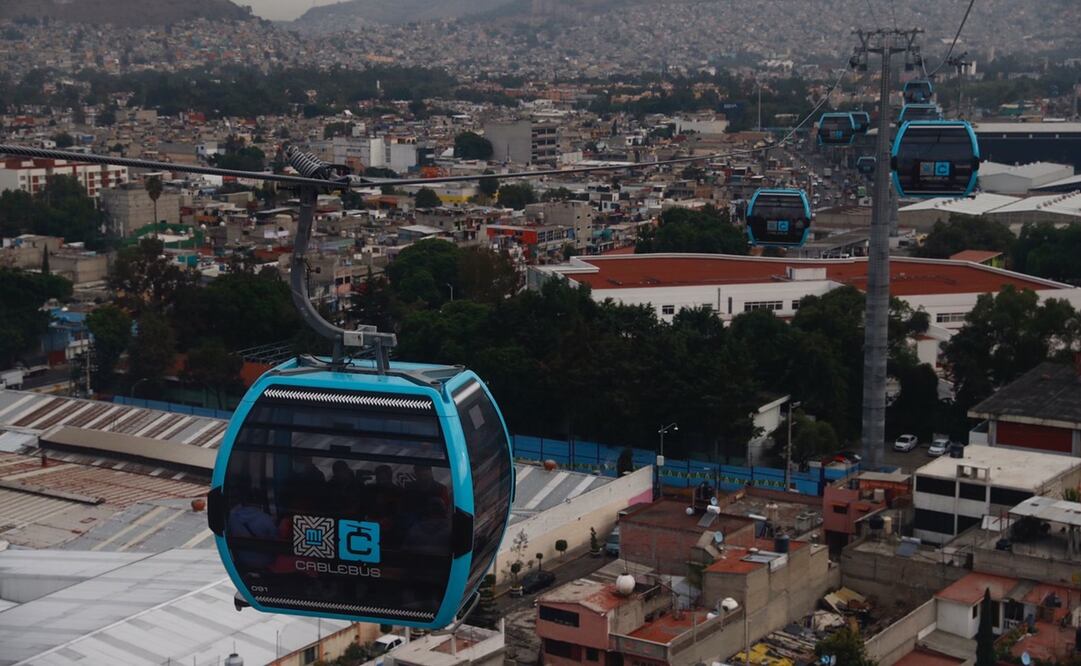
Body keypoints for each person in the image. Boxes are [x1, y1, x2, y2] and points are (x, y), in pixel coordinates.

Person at [228, 486, 278, 570]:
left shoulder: (233, 516)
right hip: (265, 560)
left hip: (242, 558)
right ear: (260, 502)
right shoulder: (265, 518)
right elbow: (276, 537)